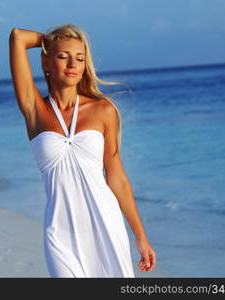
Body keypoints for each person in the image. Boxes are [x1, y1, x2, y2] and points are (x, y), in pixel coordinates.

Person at [9, 23, 156, 278]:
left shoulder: (103, 110)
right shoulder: (35, 110)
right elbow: (17, 37)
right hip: (60, 231)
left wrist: (141, 237)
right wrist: (51, 40)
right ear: (45, 63)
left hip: (106, 224)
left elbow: (117, 178)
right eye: (62, 57)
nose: (72, 64)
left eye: (79, 58)